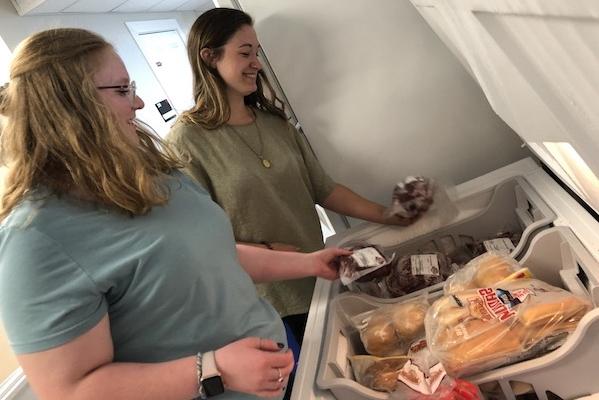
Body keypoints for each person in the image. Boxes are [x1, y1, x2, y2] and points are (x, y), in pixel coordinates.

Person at [0, 28, 350, 400]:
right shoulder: (35, 239)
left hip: (277, 372)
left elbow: (213, 254)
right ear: (67, 106)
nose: (138, 103)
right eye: (121, 91)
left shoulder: (153, 174)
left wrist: (312, 264)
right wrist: (213, 370)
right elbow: (68, 389)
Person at [167, 8, 417, 351]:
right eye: (244, 53)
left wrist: (388, 214)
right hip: (266, 303)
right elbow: (196, 238)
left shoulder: (274, 123)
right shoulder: (187, 140)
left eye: (257, 53)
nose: (256, 62)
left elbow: (323, 189)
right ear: (209, 57)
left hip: (321, 278)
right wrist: (267, 252)